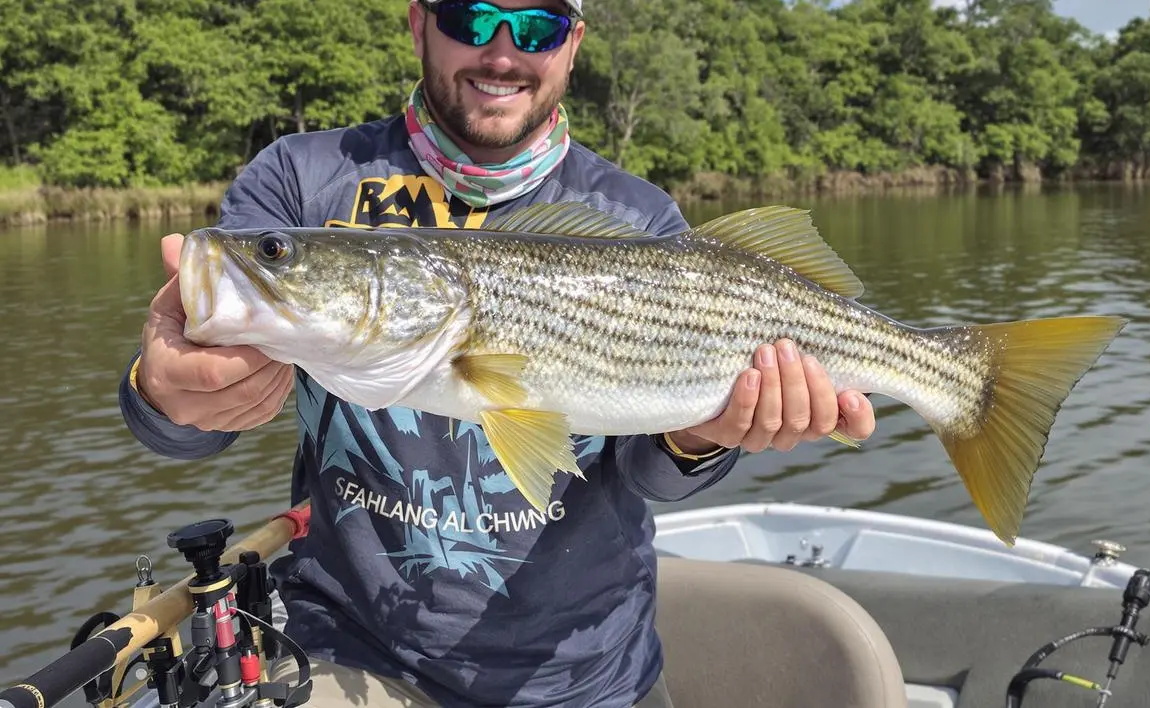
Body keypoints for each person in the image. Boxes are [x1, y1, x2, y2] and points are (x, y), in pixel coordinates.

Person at [118, 0, 877, 705]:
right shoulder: (302, 180)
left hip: (588, 674)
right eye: (471, 18)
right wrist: (164, 395)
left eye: (537, 26)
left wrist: (705, 437)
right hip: (351, 652)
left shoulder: (641, 216)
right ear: (419, 23)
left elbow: (651, 473)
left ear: (572, 44)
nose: (503, 52)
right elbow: (190, 424)